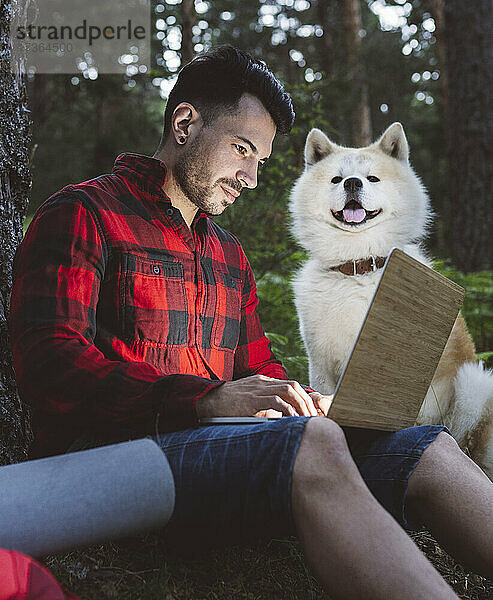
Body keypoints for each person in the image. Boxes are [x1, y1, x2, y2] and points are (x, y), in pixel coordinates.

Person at [10, 46, 493, 599]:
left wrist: (310, 401)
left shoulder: (228, 255)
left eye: (259, 161)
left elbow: (259, 370)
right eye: (242, 150)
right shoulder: (84, 213)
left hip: (231, 459)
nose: (251, 177)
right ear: (186, 124)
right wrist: (204, 399)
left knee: (424, 447)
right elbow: (51, 362)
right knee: (310, 443)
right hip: (115, 464)